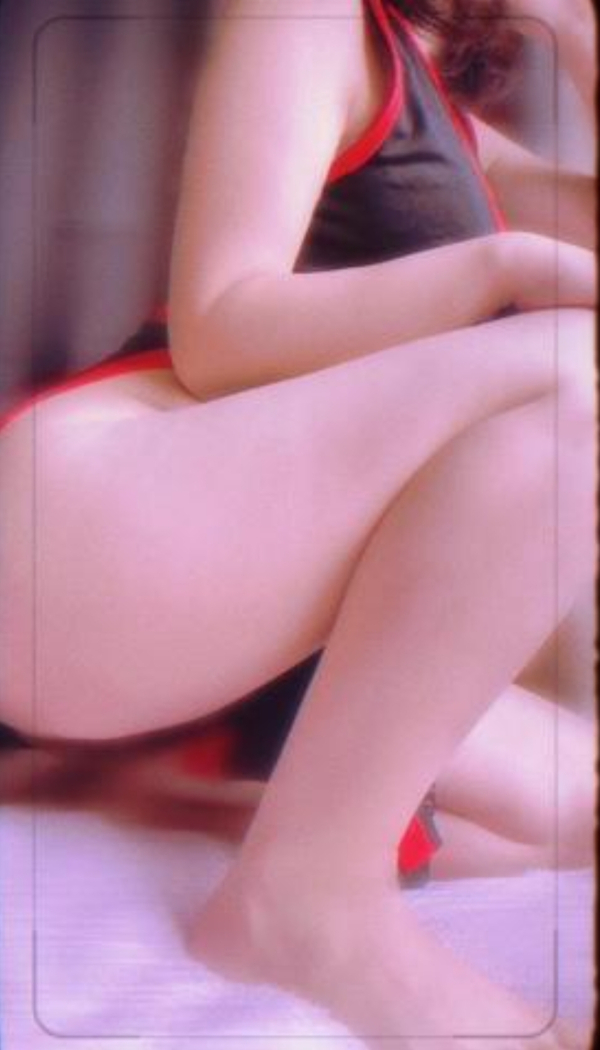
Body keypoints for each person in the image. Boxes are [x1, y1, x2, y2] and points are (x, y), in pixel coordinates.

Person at [0, 0, 595, 1043]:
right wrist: (501, 270)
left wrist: (585, 39)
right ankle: (309, 896)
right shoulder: (308, 16)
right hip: (95, 506)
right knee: (575, 367)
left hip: (238, 604)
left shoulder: (444, 108)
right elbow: (220, 330)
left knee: (579, 806)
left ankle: (203, 796)